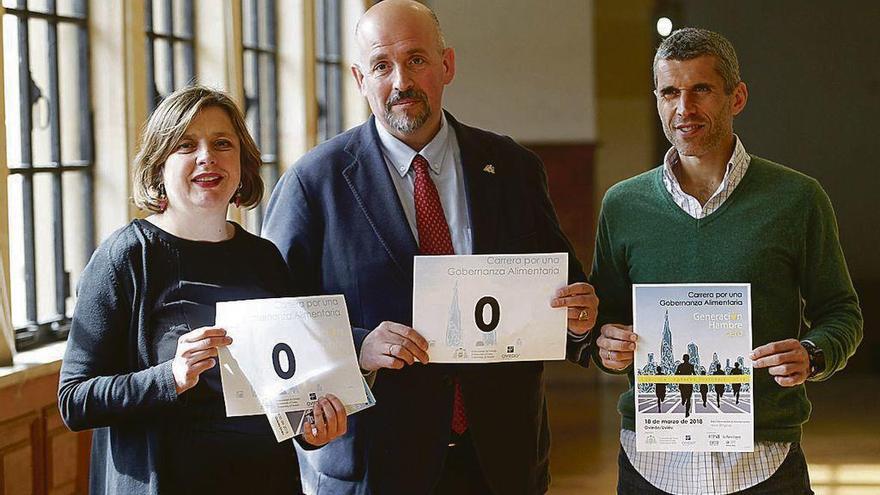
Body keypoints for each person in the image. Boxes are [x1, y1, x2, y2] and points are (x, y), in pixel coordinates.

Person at [261, 1, 597, 493]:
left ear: (447, 65)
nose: (400, 82)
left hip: (502, 462)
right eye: (381, 65)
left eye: (416, 59)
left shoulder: (512, 168)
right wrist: (359, 348)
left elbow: (562, 294)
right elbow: (280, 321)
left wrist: (579, 320)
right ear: (359, 79)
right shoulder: (314, 183)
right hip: (375, 466)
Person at [591, 28, 862, 494]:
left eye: (701, 90)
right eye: (670, 92)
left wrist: (812, 354)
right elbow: (606, 321)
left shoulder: (798, 199)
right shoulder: (622, 205)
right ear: (656, 100)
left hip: (763, 465)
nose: (684, 108)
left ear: (737, 97)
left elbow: (842, 313)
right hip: (650, 466)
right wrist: (606, 345)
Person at [58, 86, 348, 494]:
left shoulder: (264, 258)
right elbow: (74, 400)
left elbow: (288, 386)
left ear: (243, 165)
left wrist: (310, 430)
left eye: (222, 143)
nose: (206, 157)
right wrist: (170, 377)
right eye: (185, 145)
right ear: (158, 166)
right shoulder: (126, 257)